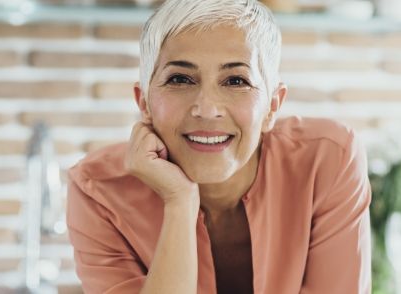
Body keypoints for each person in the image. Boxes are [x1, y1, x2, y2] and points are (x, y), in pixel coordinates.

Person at [66, 0, 372, 293]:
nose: (207, 109)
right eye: (181, 79)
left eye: (236, 81)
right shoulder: (97, 190)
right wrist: (180, 201)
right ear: (143, 103)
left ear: (272, 106)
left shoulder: (329, 158)